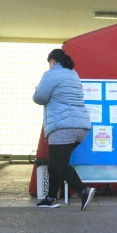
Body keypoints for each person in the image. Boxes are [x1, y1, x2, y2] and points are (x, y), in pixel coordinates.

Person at [33, 48, 95, 210]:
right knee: (56, 162)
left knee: (57, 162)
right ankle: (50, 198)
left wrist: (37, 88)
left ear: (52, 61)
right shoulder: (73, 74)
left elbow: (40, 98)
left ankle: (83, 190)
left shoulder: (51, 74)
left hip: (63, 127)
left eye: (49, 63)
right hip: (81, 128)